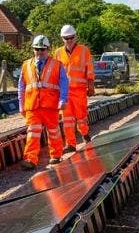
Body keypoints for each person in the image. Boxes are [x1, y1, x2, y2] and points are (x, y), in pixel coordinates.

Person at [18, 35, 69, 170]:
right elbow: (21, 86)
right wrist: (21, 104)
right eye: (37, 49)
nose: (39, 52)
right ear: (33, 49)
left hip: (50, 106)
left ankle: (56, 155)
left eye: (42, 49)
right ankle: (30, 159)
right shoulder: (26, 65)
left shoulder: (57, 65)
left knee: (53, 132)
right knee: (32, 133)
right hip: (33, 106)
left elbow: (64, 83)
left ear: (48, 49)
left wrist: (63, 99)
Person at [54, 24, 95, 153]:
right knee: (67, 119)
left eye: (71, 37)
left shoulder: (84, 50)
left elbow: (89, 68)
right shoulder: (58, 53)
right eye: (66, 38)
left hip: (79, 90)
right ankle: (71, 144)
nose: (69, 40)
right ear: (62, 39)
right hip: (64, 93)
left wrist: (91, 84)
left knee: (81, 117)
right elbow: (55, 72)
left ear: (75, 37)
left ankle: (85, 134)